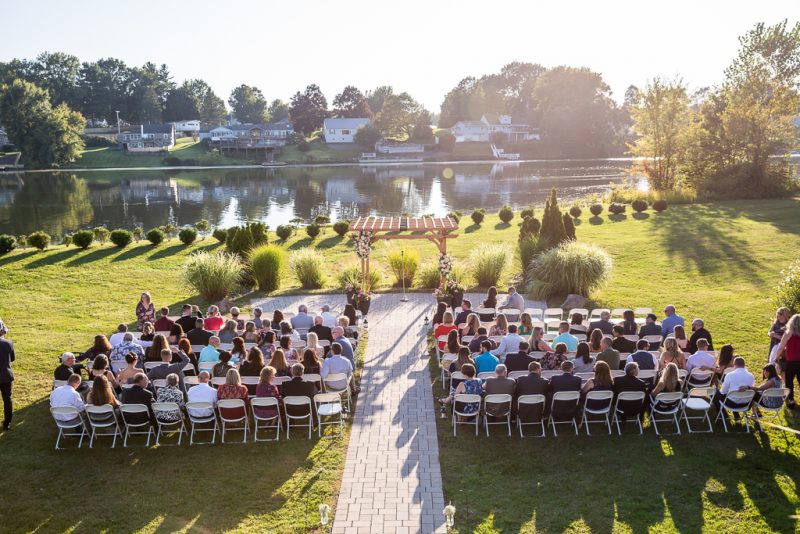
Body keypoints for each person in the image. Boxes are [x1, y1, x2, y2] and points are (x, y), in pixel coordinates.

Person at [774, 313, 800, 406]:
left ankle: (791, 400)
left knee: (789, 380)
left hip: (791, 360)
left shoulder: (788, 333)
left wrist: (776, 357)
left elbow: (781, 347)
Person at [0, 320, 14, 430]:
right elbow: (12, 358)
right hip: (5, 376)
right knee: (7, 399)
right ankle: (7, 423)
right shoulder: (8, 343)